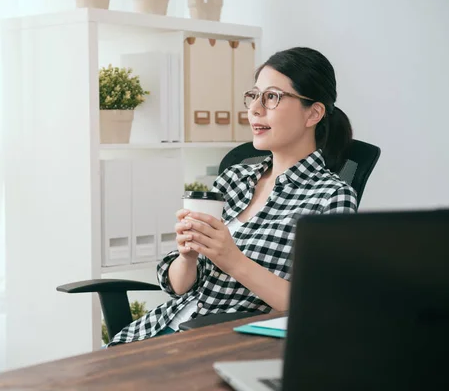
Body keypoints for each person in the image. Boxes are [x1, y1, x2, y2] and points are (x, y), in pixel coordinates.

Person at [106, 46, 357, 347]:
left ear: (313, 113)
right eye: (254, 96)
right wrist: (188, 255)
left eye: (272, 97)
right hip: (157, 328)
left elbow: (316, 306)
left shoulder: (331, 197)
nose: (254, 109)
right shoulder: (235, 178)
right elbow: (178, 285)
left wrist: (233, 260)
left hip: (218, 344)